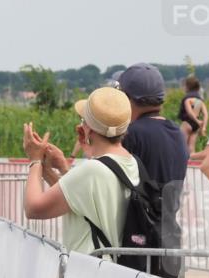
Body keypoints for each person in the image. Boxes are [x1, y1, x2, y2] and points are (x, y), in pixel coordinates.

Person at [23, 87, 139, 257]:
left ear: (88, 128)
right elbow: (79, 200)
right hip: (117, 272)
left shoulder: (92, 170)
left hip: (89, 273)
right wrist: (53, 169)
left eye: (83, 119)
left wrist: (34, 161)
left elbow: (33, 208)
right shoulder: (131, 162)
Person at [117, 62, 188, 278]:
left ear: (129, 99)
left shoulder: (132, 134)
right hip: (168, 239)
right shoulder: (177, 133)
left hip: (137, 244)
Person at [178, 75, 207, 152]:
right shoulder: (199, 100)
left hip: (187, 123)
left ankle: (183, 163)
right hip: (196, 125)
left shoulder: (187, 99)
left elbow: (189, 112)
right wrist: (203, 126)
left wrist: (197, 121)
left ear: (188, 86)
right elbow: (205, 114)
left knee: (182, 145)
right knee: (191, 146)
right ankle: (192, 162)